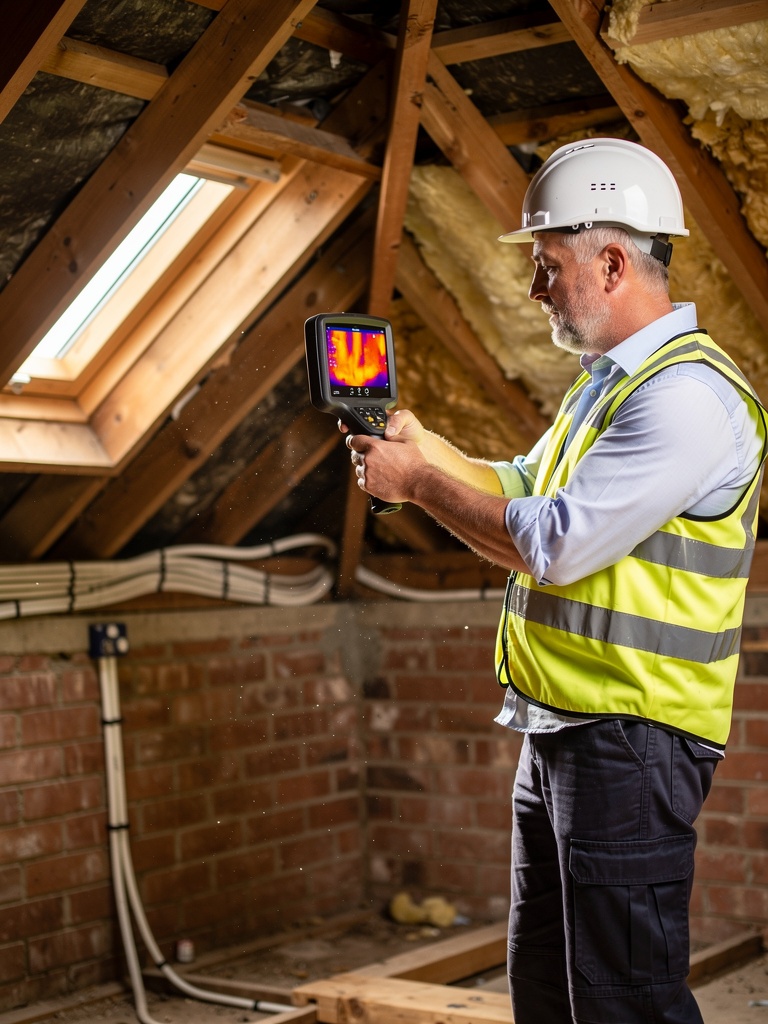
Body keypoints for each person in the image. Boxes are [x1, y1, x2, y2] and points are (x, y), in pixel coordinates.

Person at [343, 138, 768, 1023]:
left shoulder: (684, 398)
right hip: (568, 729)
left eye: (546, 265)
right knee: (545, 987)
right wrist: (427, 452)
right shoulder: (607, 386)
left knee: (623, 1001)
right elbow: (526, 486)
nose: (533, 288)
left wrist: (417, 486)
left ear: (611, 262)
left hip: (633, 735)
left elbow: (559, 542)